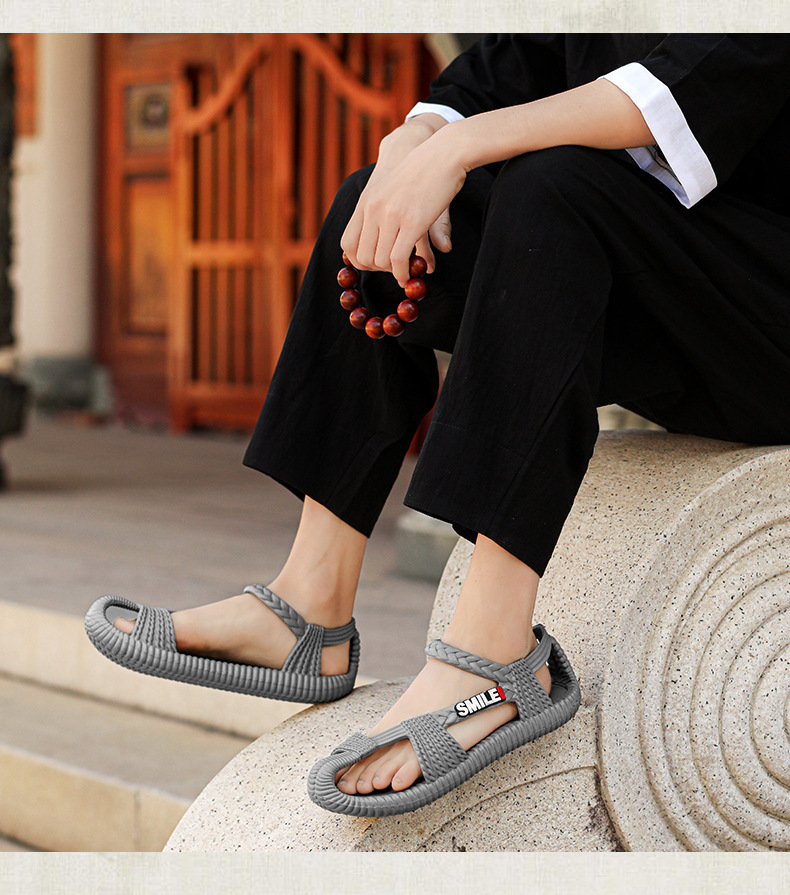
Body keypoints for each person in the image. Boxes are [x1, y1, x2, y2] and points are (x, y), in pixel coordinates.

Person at [87, 34, 790, 817]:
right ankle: (311, 603)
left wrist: (458, 147)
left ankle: (497, 649)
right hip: (673, 287)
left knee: (554, 187)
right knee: (378, 201)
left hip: (768, 318)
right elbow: (505, 66)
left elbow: (672, 92)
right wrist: (418, 141)